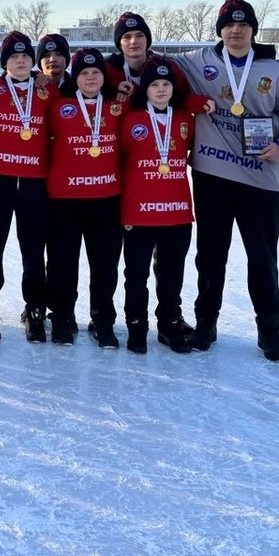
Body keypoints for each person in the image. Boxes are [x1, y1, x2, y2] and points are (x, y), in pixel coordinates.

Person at [175, 0, 279, 361]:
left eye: (244, 25)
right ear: (219, 30)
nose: (236, 31)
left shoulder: (273, 70)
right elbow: (145, 64)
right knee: (210, 256)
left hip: (261, 181)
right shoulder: (197, 62)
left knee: (262, 259)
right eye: (229, 25)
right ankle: (206, 325)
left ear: (252, 30)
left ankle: (269, 332)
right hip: (213, 177)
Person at [119, 58, 213, 354]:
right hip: (139, 210)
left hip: (176, 211)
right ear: (144, 90)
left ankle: (169, 323)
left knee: (172, 272)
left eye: (166, 84)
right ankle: (136, 325)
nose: (161, 90)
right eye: (155, 85)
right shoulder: (130, 119)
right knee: (136, 273)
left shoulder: (186, 119)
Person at [0, 31, 54, 342]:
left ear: (32, 62)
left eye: (25, 57)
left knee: (33, 249)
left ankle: (35, 308)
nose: (20, 61)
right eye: (13, 57)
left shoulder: (48, 92)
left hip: (34, 182)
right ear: (4, 62)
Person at [43, 48, 125, 347]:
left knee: (104, 264)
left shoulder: (118, 107)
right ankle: (62, 316)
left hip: (106, 198)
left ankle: (102, 320)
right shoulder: (57, 105)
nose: (90, 78)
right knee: (63, 262)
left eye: (96, 73)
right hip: (64, 199)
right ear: (74, 78)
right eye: (84, 73)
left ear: (104, 77)